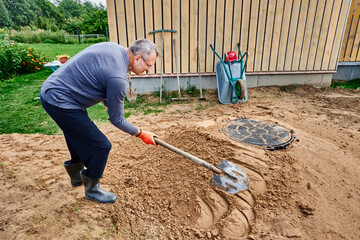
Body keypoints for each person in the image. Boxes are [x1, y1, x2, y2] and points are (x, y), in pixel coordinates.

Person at [40, 39, 159, 204]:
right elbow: (117, 120)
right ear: (137, 58)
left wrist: (108, 102)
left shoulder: (113, 47)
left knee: (75, 135)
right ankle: (92, 189)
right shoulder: (118, 78)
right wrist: (141, 133)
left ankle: (76, 177)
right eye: (149, 65)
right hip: (60, 100)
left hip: (51, 90)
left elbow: (97, 74)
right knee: (101, 146)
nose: (149, 70)